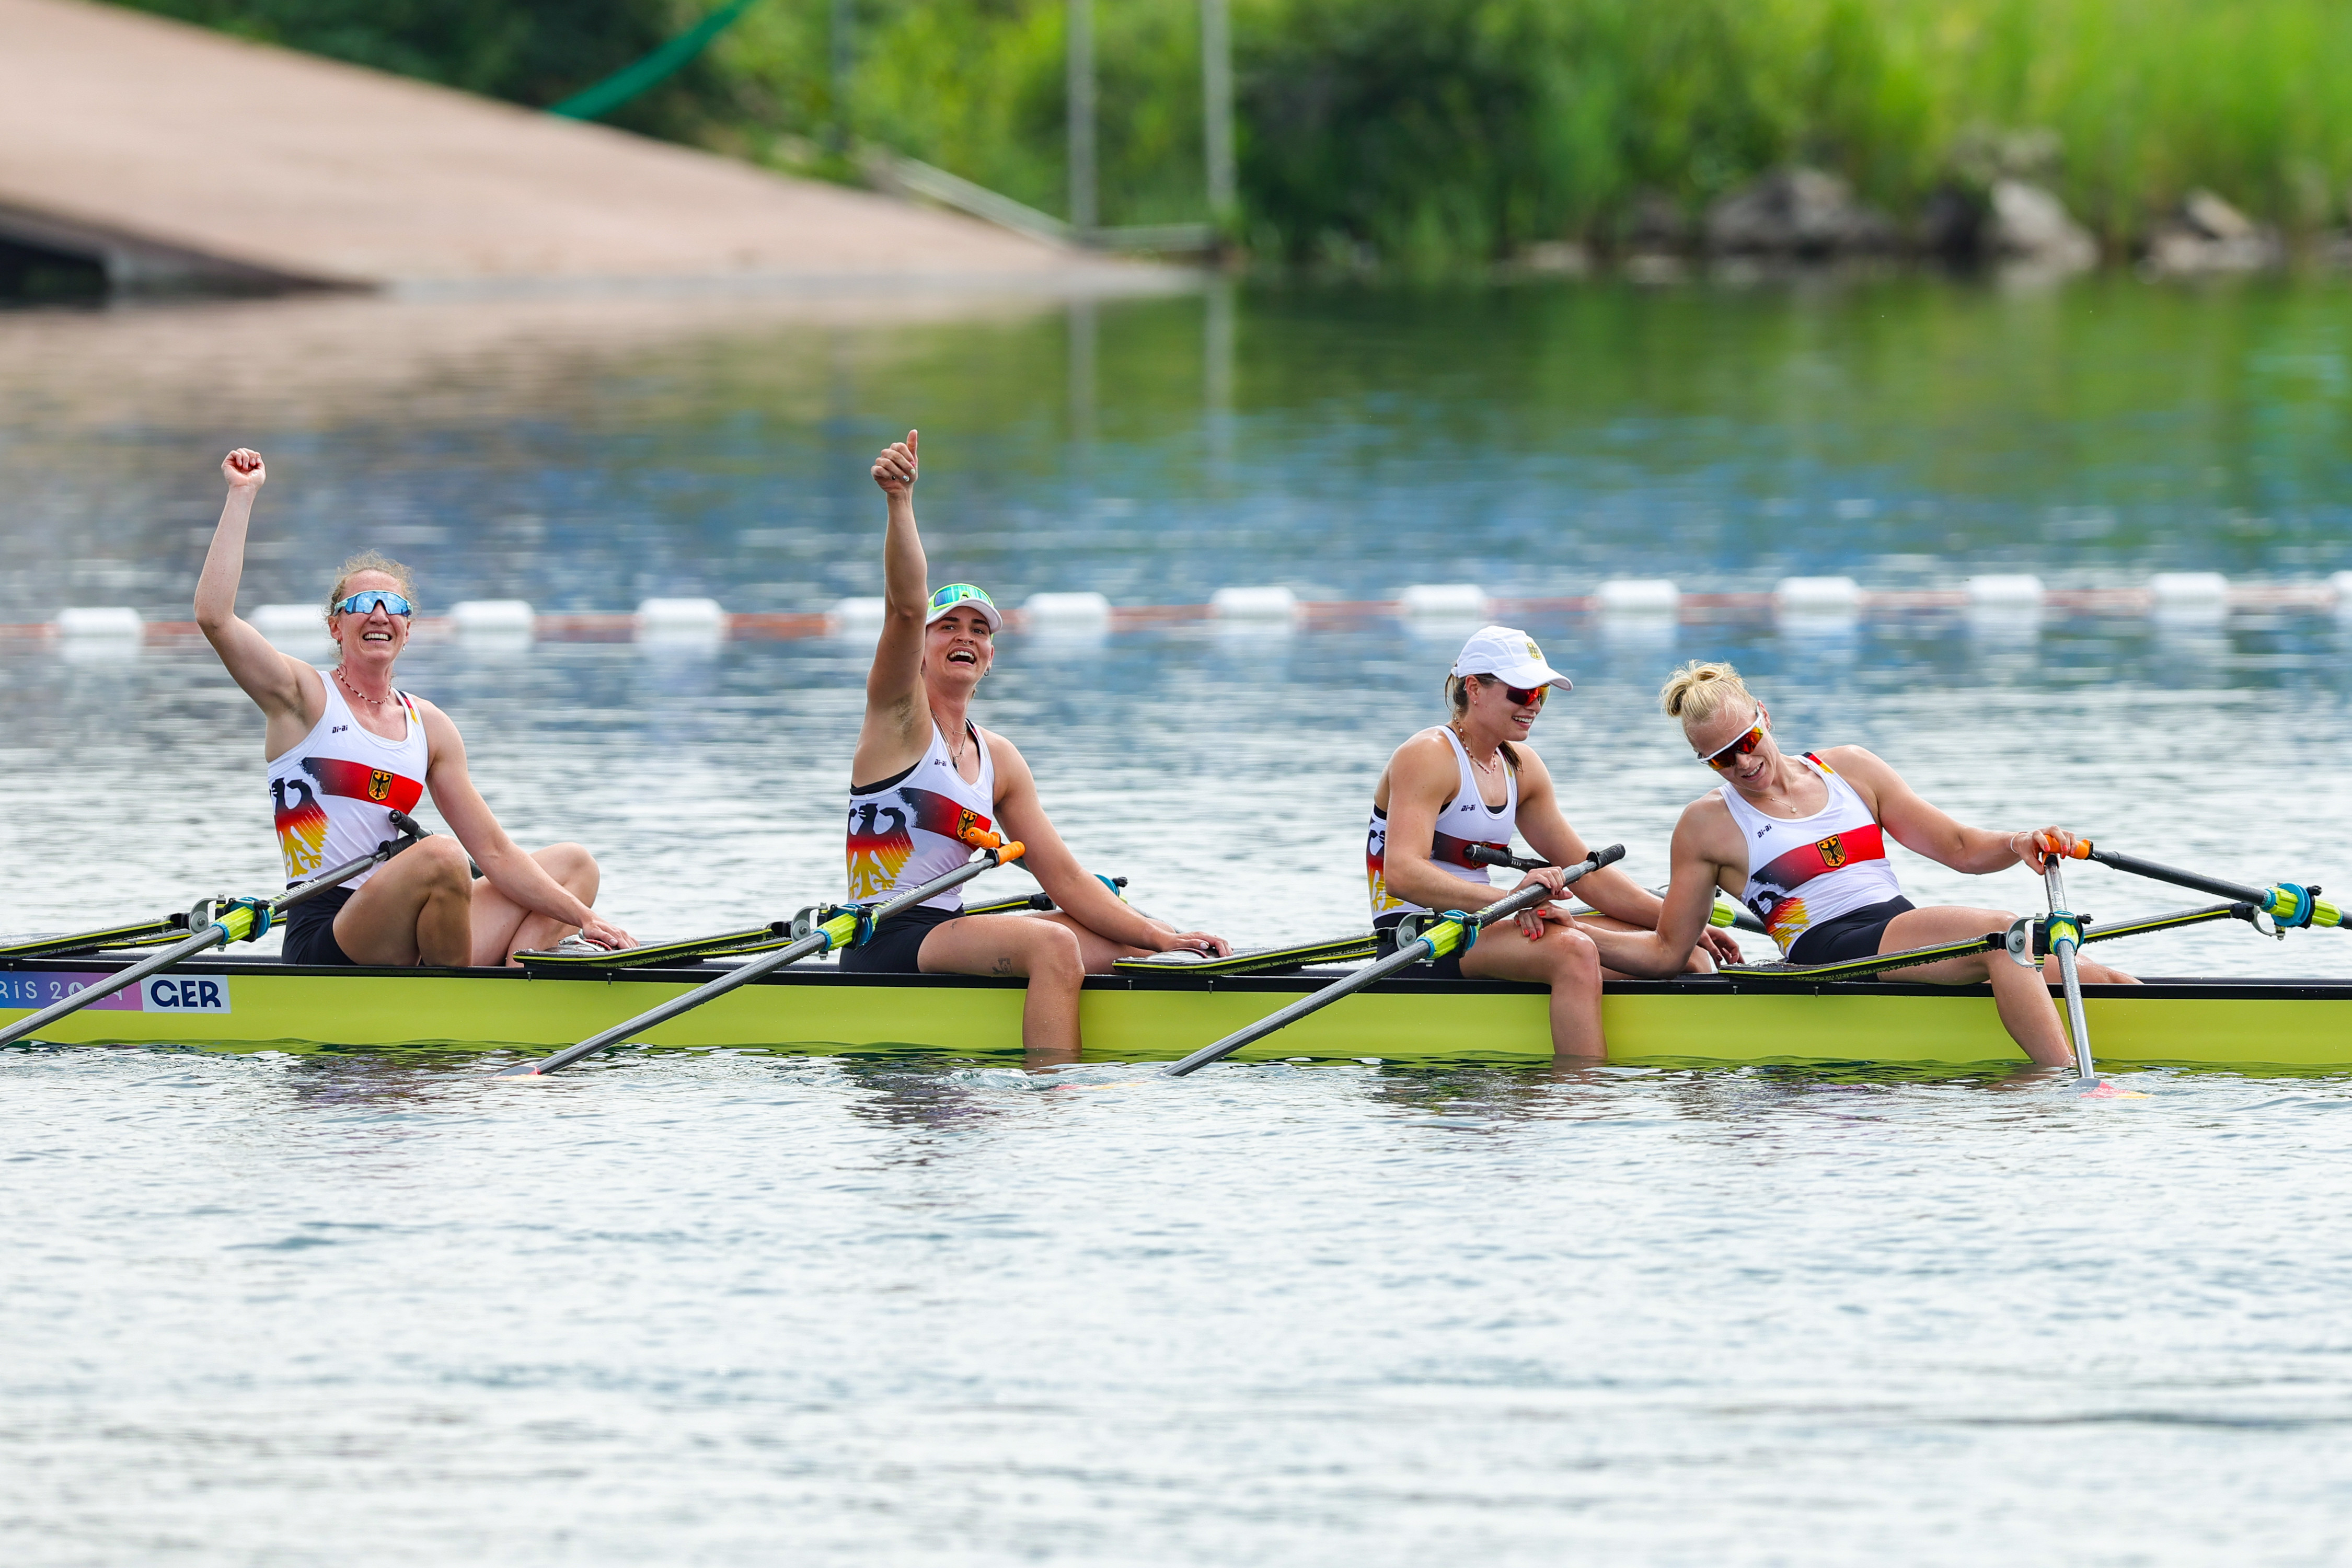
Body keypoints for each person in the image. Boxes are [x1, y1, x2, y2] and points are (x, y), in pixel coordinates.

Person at [844, 430, 1230, 1053]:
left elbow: (1067, 879)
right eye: (949, 627)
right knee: (1053, 943)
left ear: (990, 657)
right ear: (919, 649)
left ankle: (1159, 1036)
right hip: (884, 939)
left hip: (946, 930)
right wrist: (900, 502)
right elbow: (906, 609)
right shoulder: (897, 720)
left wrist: (1162, 936)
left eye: (979, 630)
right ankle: (1054, 1090)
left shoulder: (1000, 758)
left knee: (1127, 942)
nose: (964, 636)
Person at [194, 448, 633, 967]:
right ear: (336, 627)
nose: (379, 614)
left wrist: (585, 919)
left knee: (574, 866)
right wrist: (242, 495)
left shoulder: (431, 728)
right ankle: (454, 998)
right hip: (328, 934)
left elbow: (494, 854)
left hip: (412, 925)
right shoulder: (301, 697)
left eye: (395, 607)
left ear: (408, 629)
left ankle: (524, 977)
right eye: (362, 605)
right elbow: (215, 617)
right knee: (443, 856)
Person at [1621, 660, 2135, 1066]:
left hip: (1895, 929)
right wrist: (1583, 938)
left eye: (1748, 741)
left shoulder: (1850, 768)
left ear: (1764, 715)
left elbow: (1959, 847)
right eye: (1721, 758)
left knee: (2106, 982)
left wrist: (2018, 841)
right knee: (2007, 938)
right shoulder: (1706, 824)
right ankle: (2064, 1085)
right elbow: (1669, 952)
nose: (1743, 763)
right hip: (1825, 948)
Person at [1367, 626, 1743, 1058]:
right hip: (1419, 936)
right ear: (1474, 689)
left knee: (1684, 955)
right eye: (1522, 693)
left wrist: (1679, 924)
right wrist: (1510, 900)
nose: (1534, 706)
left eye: (1541, 694)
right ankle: (1579, 1089)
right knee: (1573, 950)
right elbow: (1403, 873)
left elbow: (1589, 875)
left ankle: (1684, 1074)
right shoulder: (1428, 755)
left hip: (1484, 923)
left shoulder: (1520, 766)